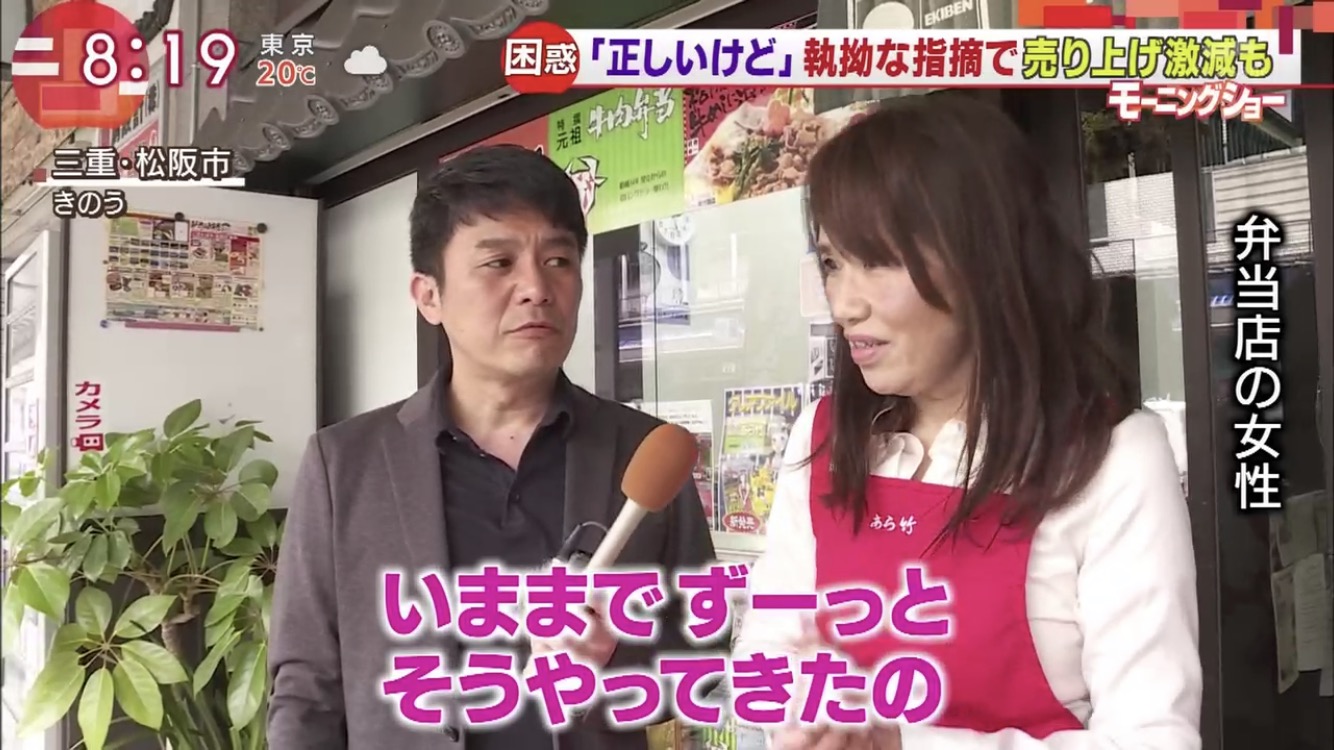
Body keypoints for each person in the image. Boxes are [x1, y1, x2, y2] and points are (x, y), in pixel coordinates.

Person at [733, 94, 1201, 749]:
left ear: (985, 259)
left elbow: (1152, 739)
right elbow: (771, 647)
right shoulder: (824, 437)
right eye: (833, 263)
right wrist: (800, 718)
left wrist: (907, 743)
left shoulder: (1114, 457)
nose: (844, 305)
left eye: (880, 260)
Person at [268, 145, 717, 750]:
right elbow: (306, 689)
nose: (536, 287)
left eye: (558, 260)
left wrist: (613, 657)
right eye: (498, 262)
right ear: (429, 296)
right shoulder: (344, 464)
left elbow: (702, 657)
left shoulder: (644, 452)